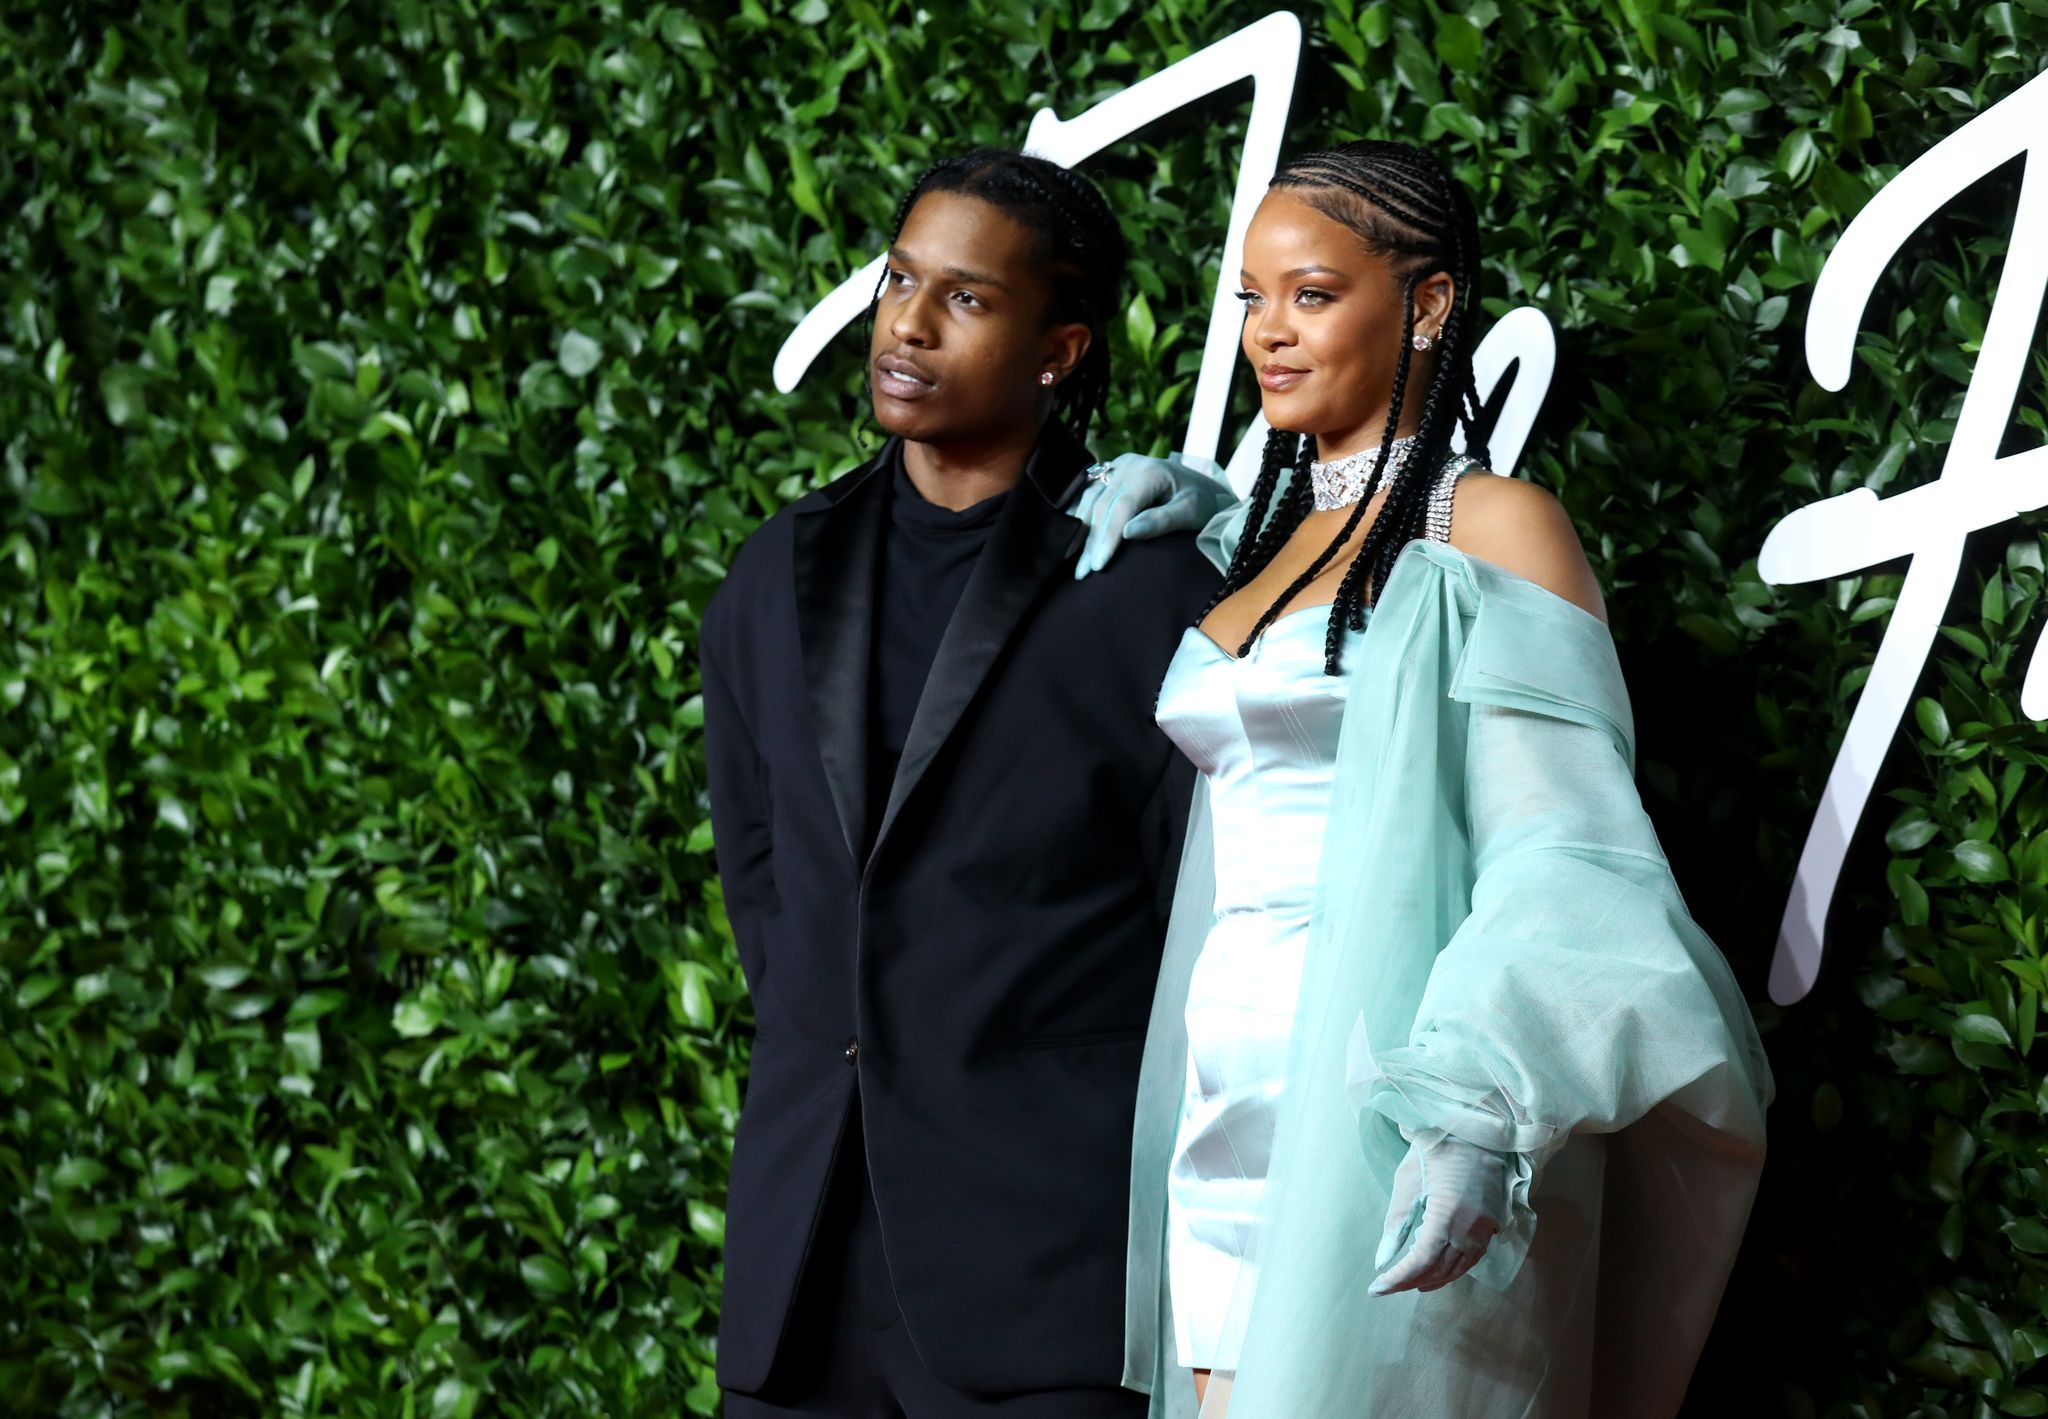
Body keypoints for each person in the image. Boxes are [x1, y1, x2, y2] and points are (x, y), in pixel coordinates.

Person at [1075, 140, 1773, 1417]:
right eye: (1250, 299)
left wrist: (1470, 1113)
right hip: (1214, 1103)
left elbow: (1562, 847)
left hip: (1379, 1094)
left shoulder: (1489, 525)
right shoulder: (1260, 539)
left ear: (1429, 303)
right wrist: (1198, 507)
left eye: (1311, 294)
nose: (1265, 334)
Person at [701, 148, 1218, 1417]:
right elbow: (759, 863)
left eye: (967, 299)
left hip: (1039, 1274)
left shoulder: (1146, 592)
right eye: (897, 282)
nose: (908, 327)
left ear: (1060, 349)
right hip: (800, 1262)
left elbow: (1196, 928)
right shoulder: (777, 570)